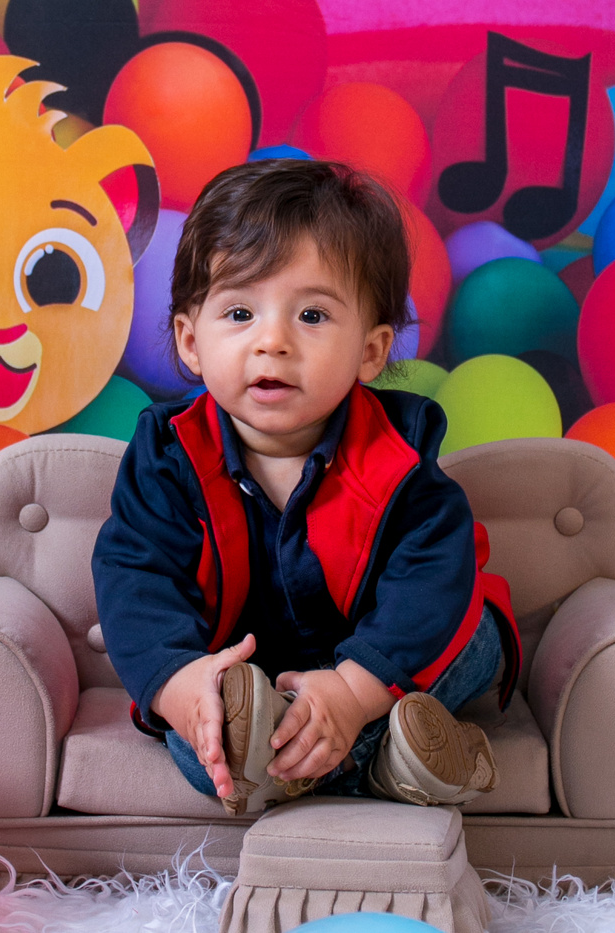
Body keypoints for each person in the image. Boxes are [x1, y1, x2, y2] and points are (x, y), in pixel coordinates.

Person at [92, 159, 520, 816]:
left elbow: (432, 581)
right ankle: (393, 763)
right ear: (191, 341)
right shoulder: (168, 456)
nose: (273, 341)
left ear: (371, 351)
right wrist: (180, 684)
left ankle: (348, 747)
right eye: (240, 312)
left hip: (386, 660)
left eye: (313, 315)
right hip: (253, 677)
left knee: (474, 636)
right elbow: (135, 578)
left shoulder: (398, 452)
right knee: (201, 740)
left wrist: (353, 690)